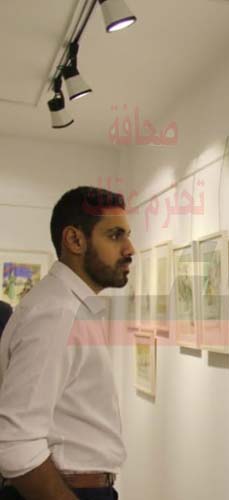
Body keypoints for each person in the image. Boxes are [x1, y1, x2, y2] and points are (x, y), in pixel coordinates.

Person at [0, 186, 135, 500]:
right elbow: (15, 442)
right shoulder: (57, 312)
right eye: (115, 235)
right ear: (75, 240)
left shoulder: (67, 306)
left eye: (127, 235)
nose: (130, 249)